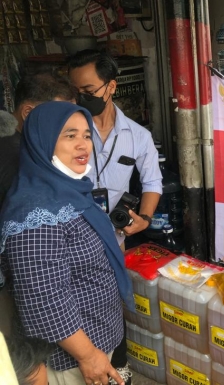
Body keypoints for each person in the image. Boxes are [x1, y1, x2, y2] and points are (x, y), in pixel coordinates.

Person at [0, 101, 133, 385]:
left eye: (86, 135)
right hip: (71, 358)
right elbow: (45, 299)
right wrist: (87, 356)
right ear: (43, 141)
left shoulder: (67, 190)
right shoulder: (35, 214)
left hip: (95, 340)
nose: (83, 145)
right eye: (69, 135)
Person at [68, 49, 162, 385]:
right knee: (74, 302)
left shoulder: (137, 136)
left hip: (113, 235)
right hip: (72, 234)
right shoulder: (68, 133)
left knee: (110, 300)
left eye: (89, 91)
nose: (81, 97)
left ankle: (116, 363)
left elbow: (152, 182)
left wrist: (145, 218)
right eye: (76, 91)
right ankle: (85, 363)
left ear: (111, 87)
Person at [0, 72, 77, 336]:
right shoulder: (16, 161)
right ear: (28, 112)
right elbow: (36, 282)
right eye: (60, 117)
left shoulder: (29, 151)